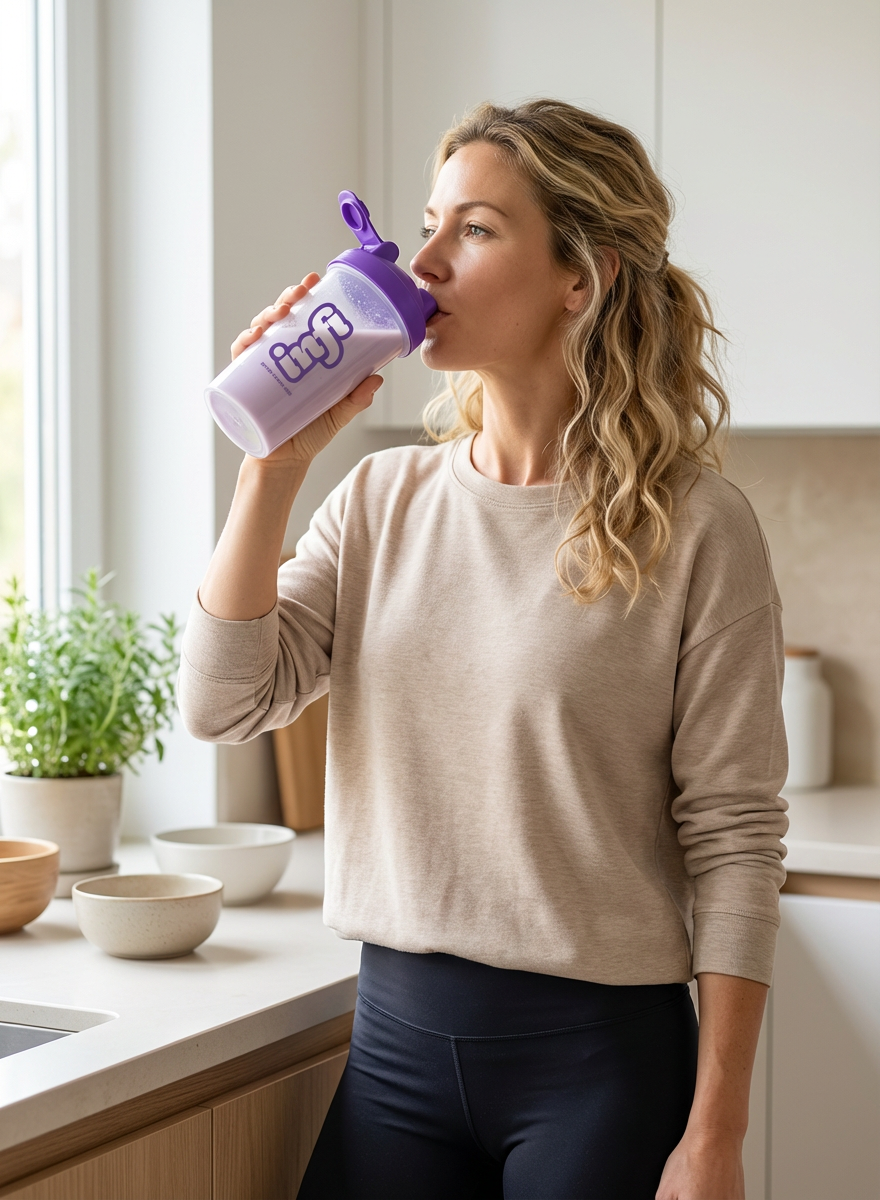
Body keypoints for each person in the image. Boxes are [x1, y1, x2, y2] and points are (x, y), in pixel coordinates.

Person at [178, 99, 788, 1200]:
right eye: (426, 223)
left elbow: (736, 841)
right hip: (394, 1057)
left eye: (475, 229)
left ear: (580, 277)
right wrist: (270, 464)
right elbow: (222, 705)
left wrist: (715, 1137)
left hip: (597, 1070)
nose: (422, 262)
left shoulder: (693, 527)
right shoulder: (379, 498)